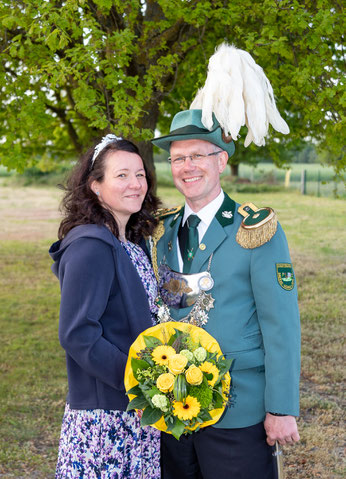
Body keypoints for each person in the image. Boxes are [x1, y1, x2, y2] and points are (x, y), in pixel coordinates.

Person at [150, 109, 301, 476]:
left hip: (238, 412)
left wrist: (281, 409)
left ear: (221, 160)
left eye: (198, 155)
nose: (188, 166)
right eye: (178, 158)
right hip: (175, 411)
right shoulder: (163, 231)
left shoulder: (255, 230)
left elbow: (281, 325)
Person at [49, 135, 161, 478]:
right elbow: (78, 334)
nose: (135, 184)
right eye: (122, 175)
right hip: (106, 417)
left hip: (139, 413)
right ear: (95, 185)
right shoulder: (91, 246)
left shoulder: (131, 242)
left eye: (140, 175)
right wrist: (140, 383)